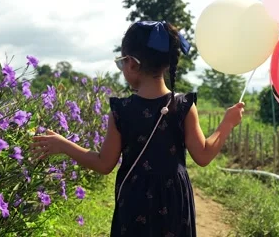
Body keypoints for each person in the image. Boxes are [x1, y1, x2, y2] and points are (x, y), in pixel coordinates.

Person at [30, 20, 245, 236]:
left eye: (121, 63)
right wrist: (227, 123)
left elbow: (104, 163)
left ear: (132, 64)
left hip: (134, 202)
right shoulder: (183, 106)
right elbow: (203, 155)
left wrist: (63, 145)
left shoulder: (121, 111)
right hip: (174, 202)